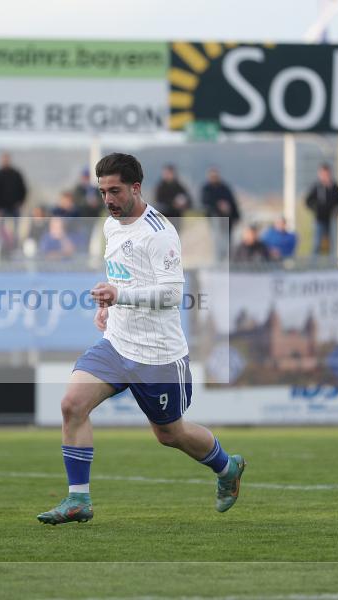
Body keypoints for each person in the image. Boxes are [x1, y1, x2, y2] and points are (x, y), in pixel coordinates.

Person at [36, 153, 245, 526]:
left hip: (158, 355)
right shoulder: (110, 225)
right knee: (72, 404)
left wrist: (120, 296)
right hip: (117, 344)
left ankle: (227, 467)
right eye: (102, 192)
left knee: (170, 434)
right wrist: (106, 307)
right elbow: (120, 276)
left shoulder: (160, 233)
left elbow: (171, 295)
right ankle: (78, 499)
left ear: (136, 187)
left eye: (114, 191)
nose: (108, 200)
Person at [304, 163, 338, 255]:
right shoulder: (316, 187)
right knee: (317, 243)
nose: (325, 176)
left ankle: (332, 264)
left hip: (332, 220)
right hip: (319, 220)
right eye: (323, 174)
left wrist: (336, 210)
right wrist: (316, 209)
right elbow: (308, 201)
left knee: (332, 243)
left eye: (327, 174)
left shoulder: (334, 187)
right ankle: (314, 265)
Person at [200, 167, 240, 233]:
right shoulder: (206, 189)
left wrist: (236, 216)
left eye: (216, 176)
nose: (214, 178)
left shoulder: (225, 188)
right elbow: (205, 203)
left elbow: (232, 202)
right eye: (213, 176)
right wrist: (218, 206)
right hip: (214, 219)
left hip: (227, 221)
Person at [0, 152, 28, 217]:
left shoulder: (16, 174)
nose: (5, 161)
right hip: (2, 207)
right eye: (4, 159)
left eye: (6, 159)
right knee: (2, 225)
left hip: (15, 207)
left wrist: (20, 202)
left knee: (15, 225)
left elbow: (23, 189)